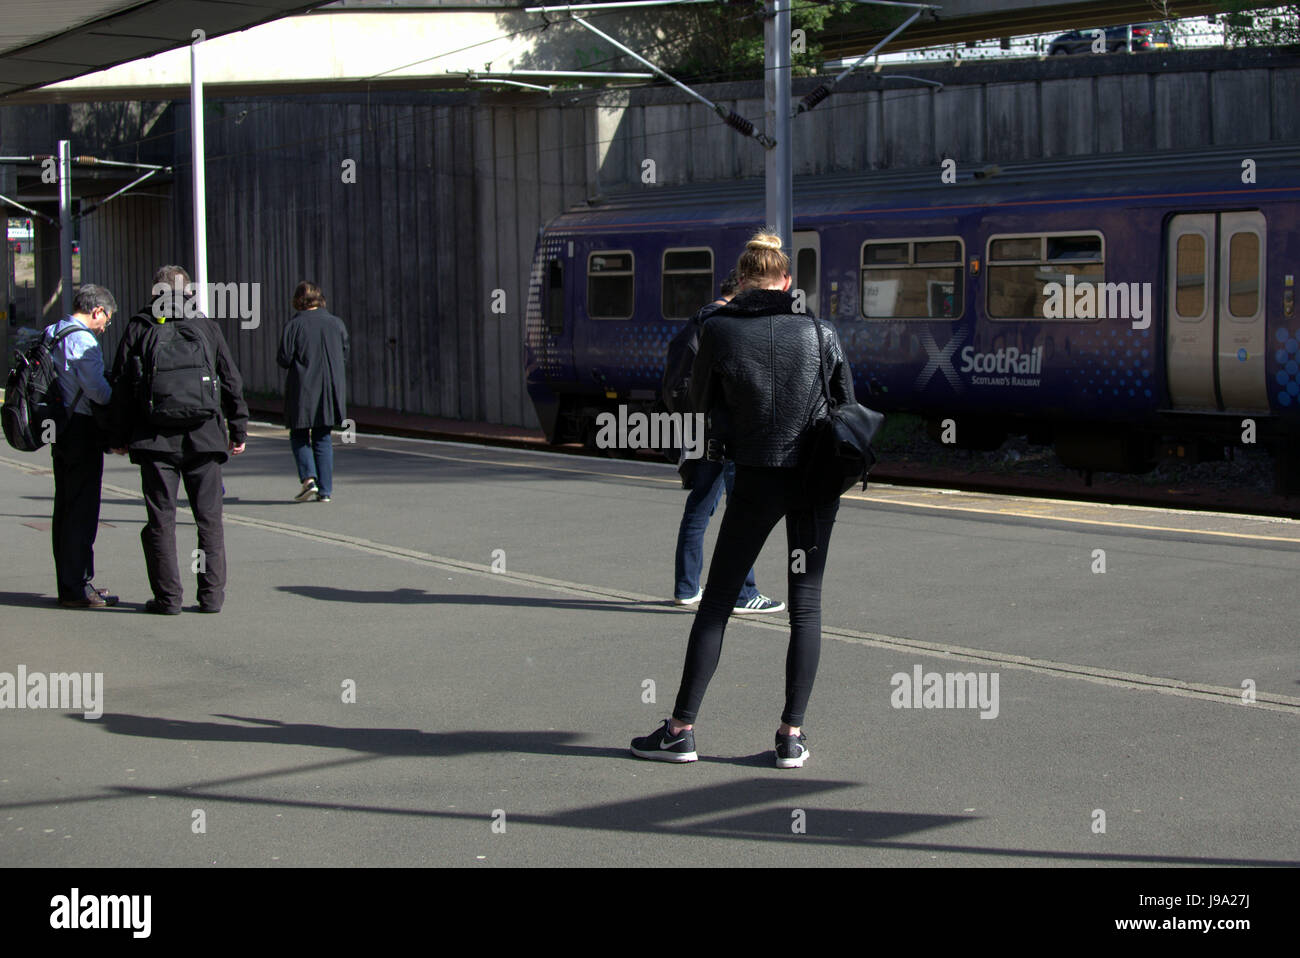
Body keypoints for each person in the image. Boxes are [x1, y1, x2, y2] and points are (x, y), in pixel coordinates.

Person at [632, 231, 855, 769]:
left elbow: (698, 400)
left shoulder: (720, 331)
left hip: (755, 478)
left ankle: (681, 731)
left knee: (716, 605)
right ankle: (791, 736)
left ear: (742, 281)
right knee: (806, 606)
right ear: (785, 281)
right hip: (815, 482)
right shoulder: (820, 332)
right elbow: (847, 404)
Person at [109, 265, 249, 614]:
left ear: (156, 293)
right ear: (189, 292)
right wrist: (239, 429)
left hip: (155, 441)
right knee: (208, 521)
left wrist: (119, 436)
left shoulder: (139, 327)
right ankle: (211, 597)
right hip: (204, 438)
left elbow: (122, 388)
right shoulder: (205, 326)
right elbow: (231, 380)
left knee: (161, 520)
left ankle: (168, 598)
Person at [663, 269, 783, 615]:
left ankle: (687, 588)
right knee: (741, 513)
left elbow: (678, 388)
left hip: (705, 433)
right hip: (724, 433)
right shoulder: (719, 325)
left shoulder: (697, 324)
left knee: (700, 508)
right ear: (741, 292)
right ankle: (744, 594)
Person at [47, 284, 120, 609]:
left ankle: (71, 581)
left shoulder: (52, 332)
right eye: (107, 319)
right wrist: (116, 400)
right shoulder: (82, 339)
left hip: (58, 426)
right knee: (81, 510)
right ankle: (77, 588)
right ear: (97, 311)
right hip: (80, 428)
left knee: (64, 506)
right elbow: (96, 390)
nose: (105, 327)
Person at [277, 282, 348, 503]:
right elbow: (344, 354)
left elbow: (284, 358)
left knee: (299, 434)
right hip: (330, 388)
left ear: (298, 300)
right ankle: (325, 490)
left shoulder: (294, 325)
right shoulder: (336, 324)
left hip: (303, 388)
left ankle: (309, 479)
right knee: (323, 437)